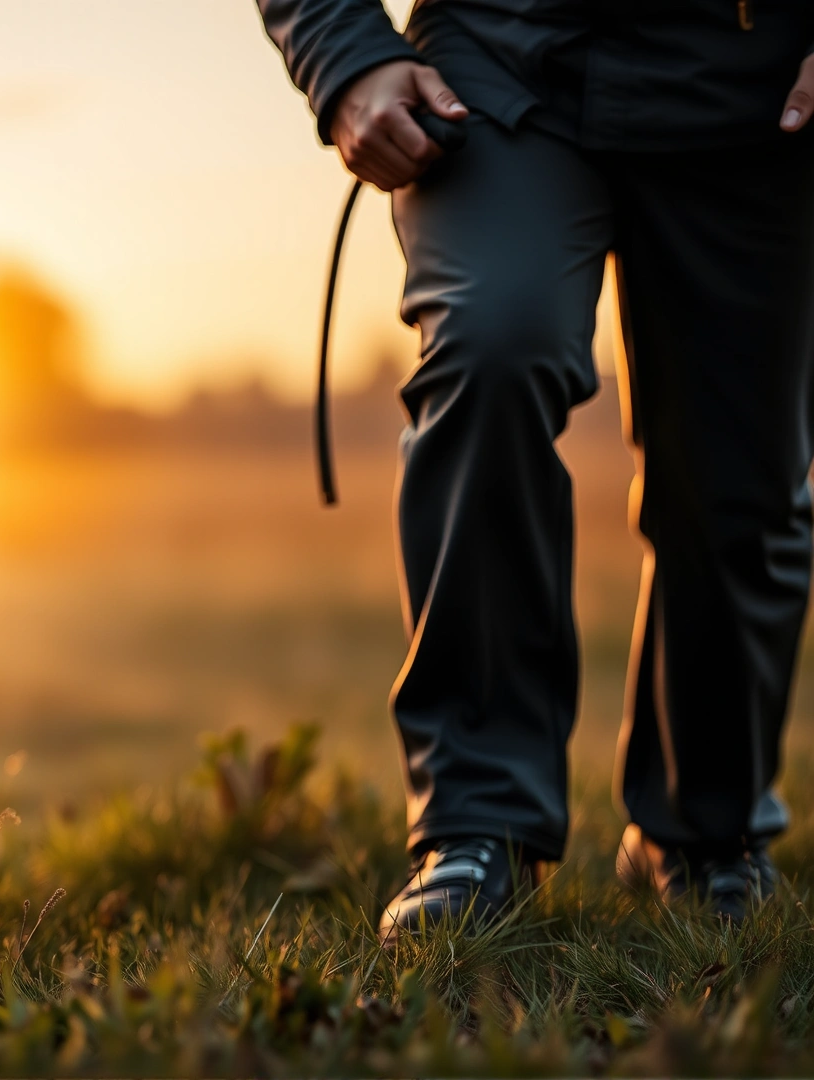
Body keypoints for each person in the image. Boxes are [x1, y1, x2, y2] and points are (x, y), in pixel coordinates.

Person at [255, 0, 814, 944]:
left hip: (756, 82)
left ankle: (707, 831)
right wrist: (345, 55)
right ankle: (478, 829)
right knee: (492, 348)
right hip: (496, 66)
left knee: (740, 468)